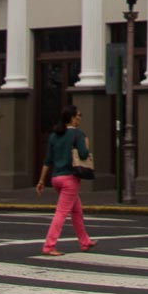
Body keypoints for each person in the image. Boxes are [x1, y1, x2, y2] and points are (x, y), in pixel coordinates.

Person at [35, 105, 96, 256]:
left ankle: (85, 241)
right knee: (61, 213)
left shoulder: (54, 135)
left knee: (76, 211)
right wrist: (86, 145)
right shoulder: (78, 134)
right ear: (73, 118)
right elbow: (83, 155)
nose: (80, 118)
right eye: (79, 115)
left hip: (56, 178)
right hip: (70, 179)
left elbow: (47, 160)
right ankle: (49, 246)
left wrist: (41, 181)